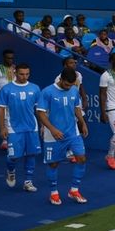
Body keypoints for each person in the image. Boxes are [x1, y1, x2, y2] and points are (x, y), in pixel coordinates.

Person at [37, 68, 89, 205]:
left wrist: (82, 123)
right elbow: (40, 113)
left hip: (72, 133)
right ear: (60, 79)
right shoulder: (47, 92)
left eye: (71, 85)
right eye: (66, 84)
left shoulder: (73, 89)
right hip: (53, 135)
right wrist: (52, 129)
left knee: (81, 158)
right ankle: (53, 193)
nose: (68, 87)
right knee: (53, 164)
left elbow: (76, 107)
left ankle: (74, 190)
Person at [0, 63, 41, 192]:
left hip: (32, 127)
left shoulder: (35, 88)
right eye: (21, 74)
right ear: (15, 73)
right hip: (13, 127)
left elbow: (39, 110)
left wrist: (43, 126)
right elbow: (0, 109)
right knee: (13, 156)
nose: (24, 77)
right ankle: (10, 170)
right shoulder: (7, 89)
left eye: (27, 74)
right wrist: (2, 127)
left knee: (31, 154)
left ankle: (28, 181)